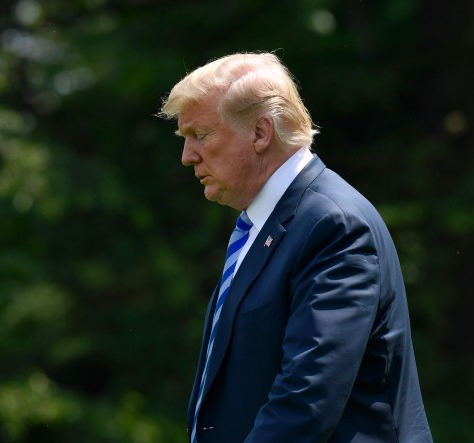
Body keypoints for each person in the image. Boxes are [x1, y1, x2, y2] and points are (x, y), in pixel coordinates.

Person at [158, 52, 432, 442]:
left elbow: (307, 400)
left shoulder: (333, 224)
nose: (187, 157)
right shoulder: (262, 224)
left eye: (200, 135)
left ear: (260, 133)